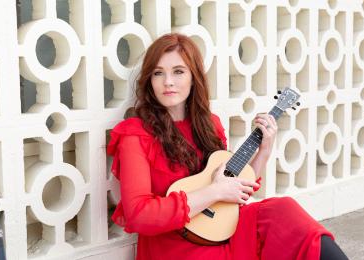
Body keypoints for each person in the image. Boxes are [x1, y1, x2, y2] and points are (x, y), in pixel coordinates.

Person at [107, 33, 348, 260]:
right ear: (149, 80)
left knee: (283, 211)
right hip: (174, 244)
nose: (168, 82)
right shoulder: (135, 133)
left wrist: (264, 149)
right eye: (158, 73)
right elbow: (139, 215)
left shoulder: (209, 125)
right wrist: (215, 191)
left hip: (220, 229)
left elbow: (235, 189)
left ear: (194, 77)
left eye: (178, 71)